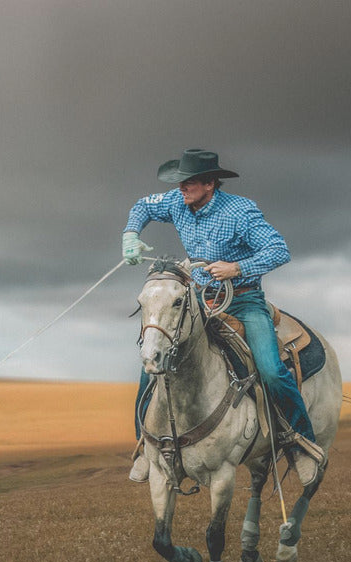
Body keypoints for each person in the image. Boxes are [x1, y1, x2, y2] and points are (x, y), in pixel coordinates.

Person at [122, 148, 326, 486]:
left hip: (243, 301)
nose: (181, 187)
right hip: (198, 302)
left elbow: (279, 249)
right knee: (152, 364)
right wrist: (131, 234)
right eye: (180, 182)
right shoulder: (176, 202)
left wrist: (237, 268)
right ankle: (145, 446)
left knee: (271, 370)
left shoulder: (241, 212)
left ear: (210, 184)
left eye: (188, 182)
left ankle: (301, 444)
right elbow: (143, 206)